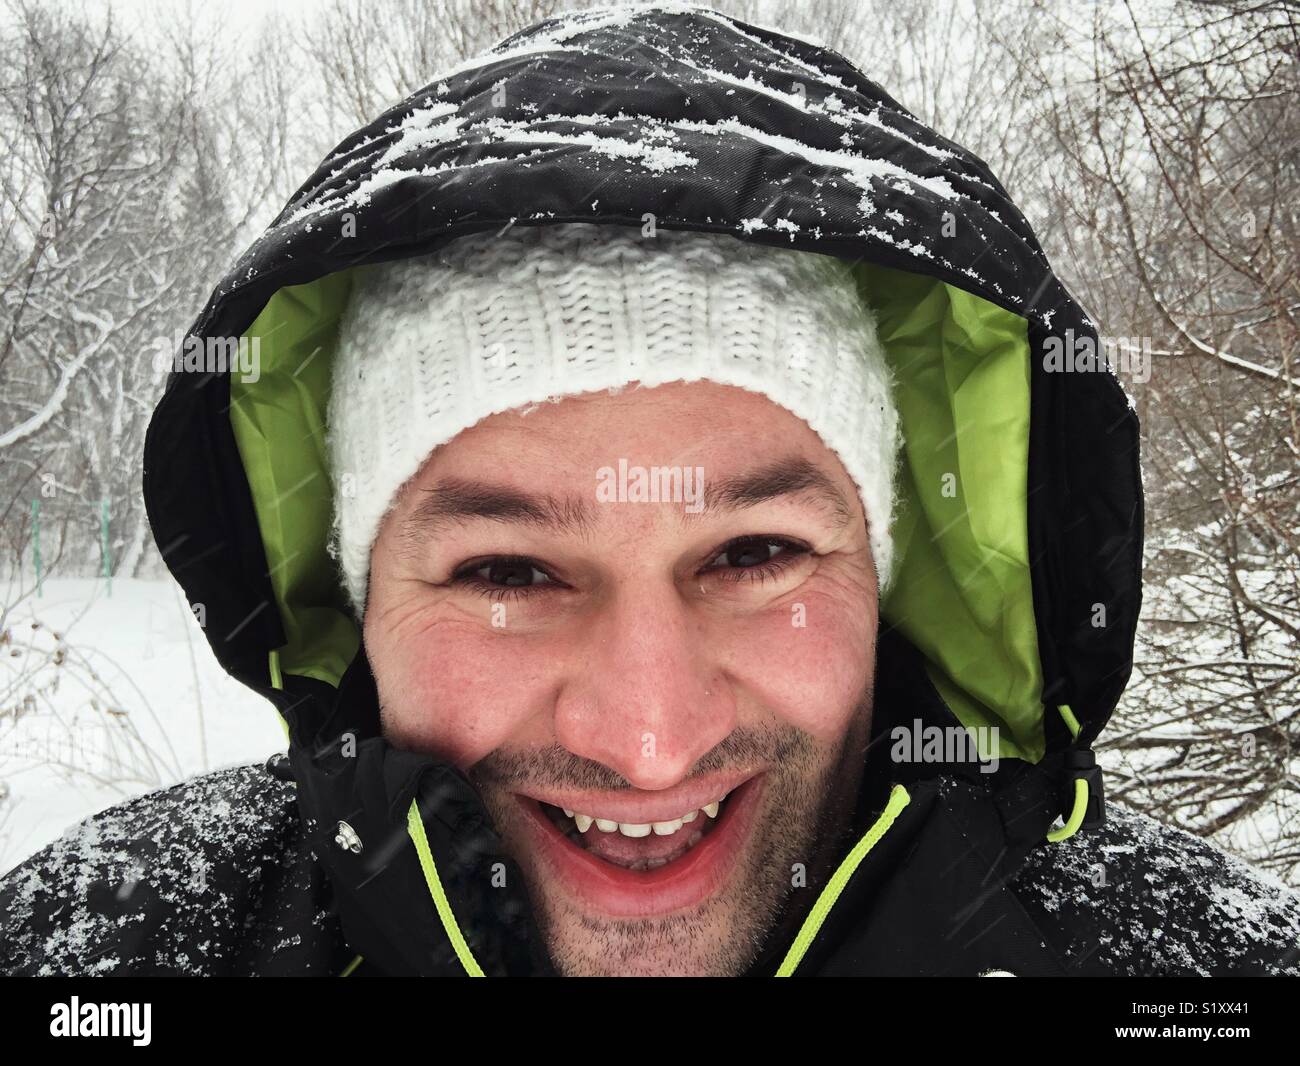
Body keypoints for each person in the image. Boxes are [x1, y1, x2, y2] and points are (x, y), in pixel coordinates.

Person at [3, 2, 1297, 977]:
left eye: (755, 554)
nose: (648, 733)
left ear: (884, 567)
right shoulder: (104, 956)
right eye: (508, 570)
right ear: (356, 596)